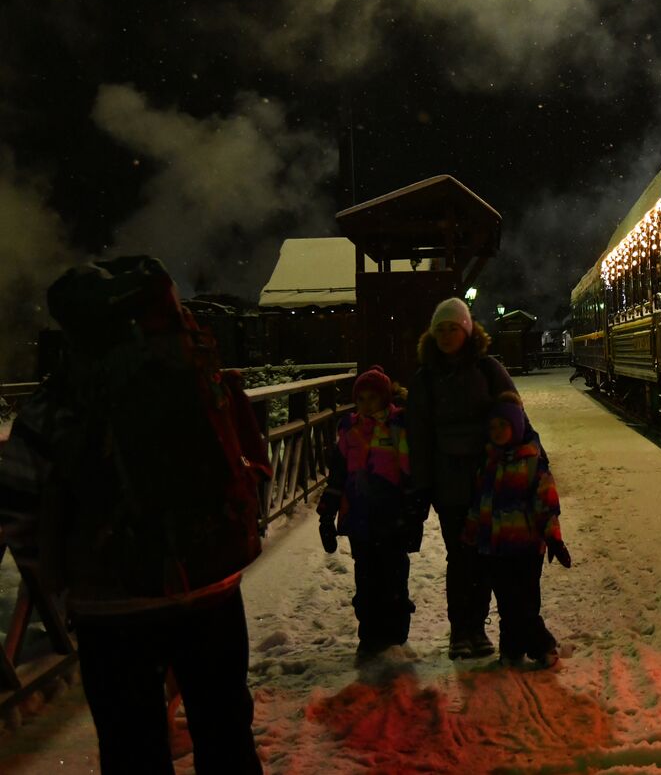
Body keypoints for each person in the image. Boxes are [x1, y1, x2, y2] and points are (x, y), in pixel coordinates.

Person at [0, 256, 266, 774]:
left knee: (132, 750)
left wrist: (57, 574)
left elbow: (15, 506)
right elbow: (249, 456)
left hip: (111, 604)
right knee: (226, 732)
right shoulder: (189, 371)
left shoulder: (56, 402)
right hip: (209, 585)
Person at [408, 297, 519, 659]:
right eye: (439, 329)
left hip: (486, 479)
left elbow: (513, 416)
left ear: (467, 330)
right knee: (460, 556)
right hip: (448, 483)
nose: (445, 335)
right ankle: (461, 630)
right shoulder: (426, 378)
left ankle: (477, 627)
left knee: (483, 556)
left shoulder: (487, 369)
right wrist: (422, 485)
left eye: (451, 327)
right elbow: (419, 435)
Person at [317, 365, 424, 659]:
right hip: (360, 518)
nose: (365, 404)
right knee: (365, 578)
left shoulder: (397, 428)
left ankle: (395, 635)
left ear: (384, 398)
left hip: (392, 516)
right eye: (360, 398)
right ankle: (370, 634)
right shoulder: (349, 431)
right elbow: (338, 475)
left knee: (393, 574)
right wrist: (326, 513)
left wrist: (415, 512)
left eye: (372, 398)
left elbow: (409, 473)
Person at [468, 392, 571, 668]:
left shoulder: (532, 463)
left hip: (526, 547)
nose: (497, 431)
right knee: (506, 601)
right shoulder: (488, 462)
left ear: (516, 425)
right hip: (496, 547)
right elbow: (481, 502)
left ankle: (542, 646)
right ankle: (511, 648)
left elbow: (547, 504)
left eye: (503, 425)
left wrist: (554, 539)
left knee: (524, 602)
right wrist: (471, 530)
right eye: (493, 427)